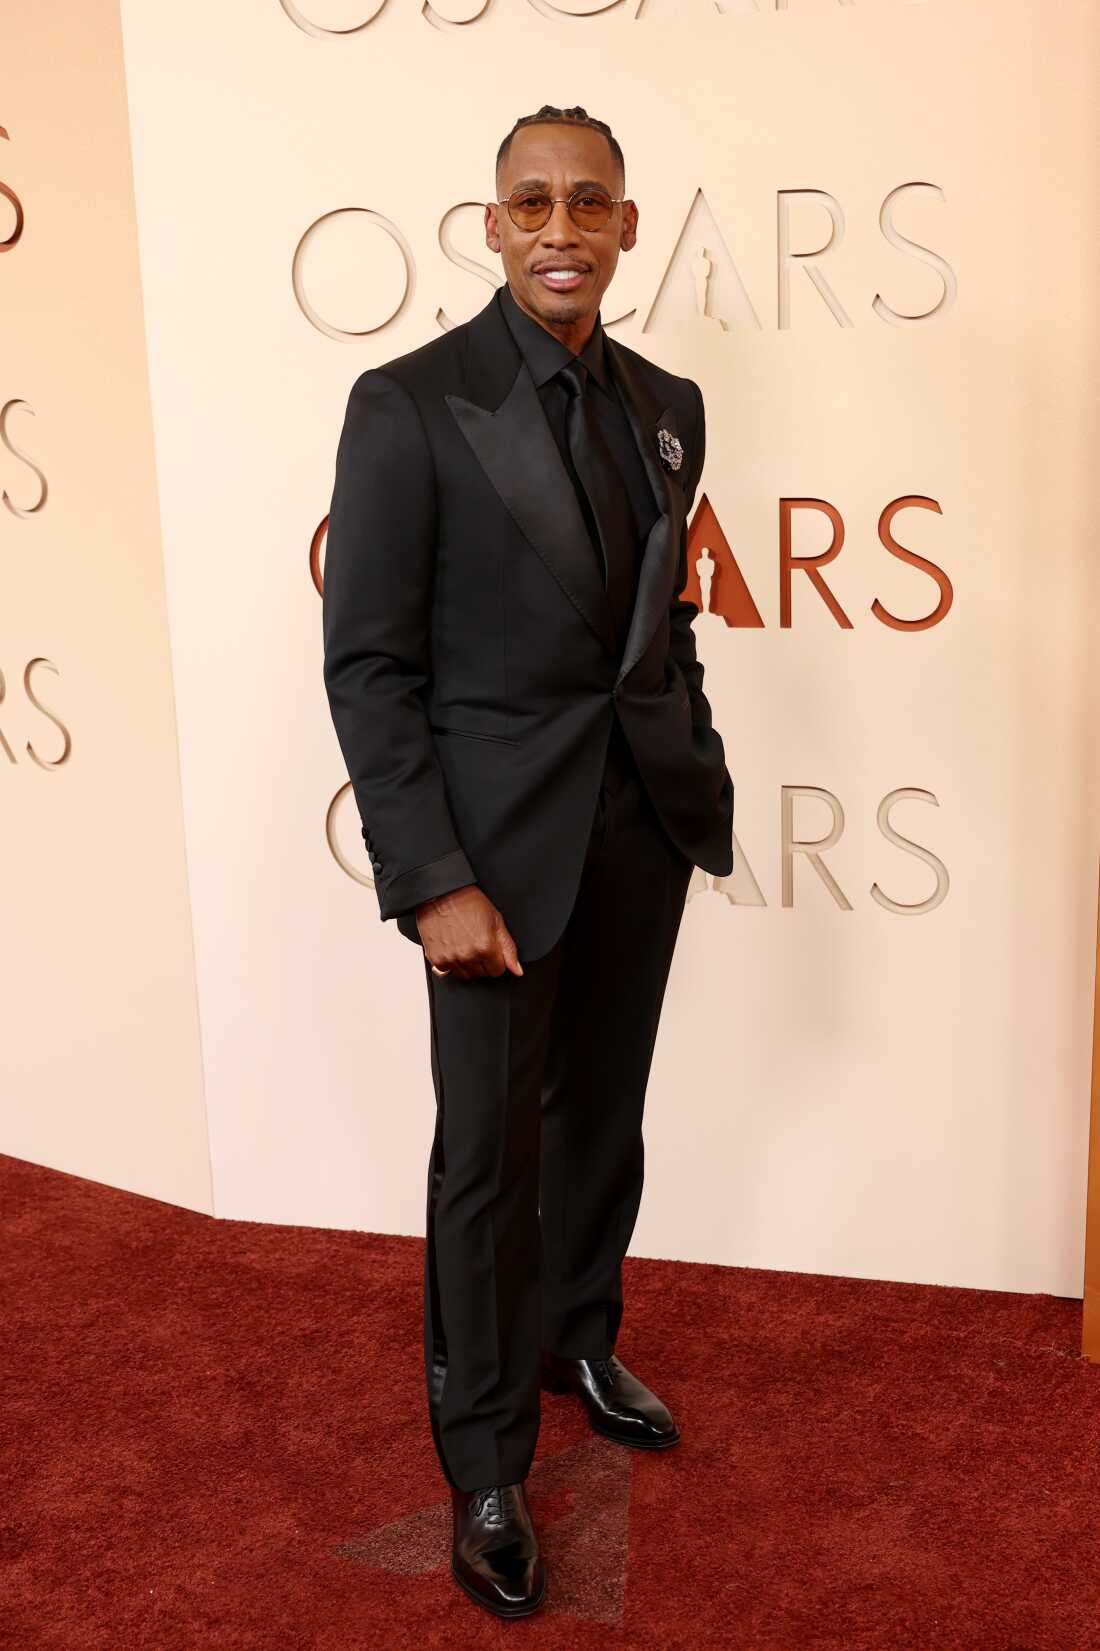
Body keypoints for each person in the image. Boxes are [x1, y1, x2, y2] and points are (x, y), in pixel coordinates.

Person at [322, 103, 734, 1618]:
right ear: (488, 226)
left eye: (589, 202)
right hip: (487, 863)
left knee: (601, 1123)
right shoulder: (410, 404)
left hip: (641, 832)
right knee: (486, 1164)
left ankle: (577, 1337)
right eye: (531, 203)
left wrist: (692, 769)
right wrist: (431, 874)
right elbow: (369, 665)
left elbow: (659, 624)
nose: (560, 227)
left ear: (629, 224)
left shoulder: (674, 401)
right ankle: (485, 1460)